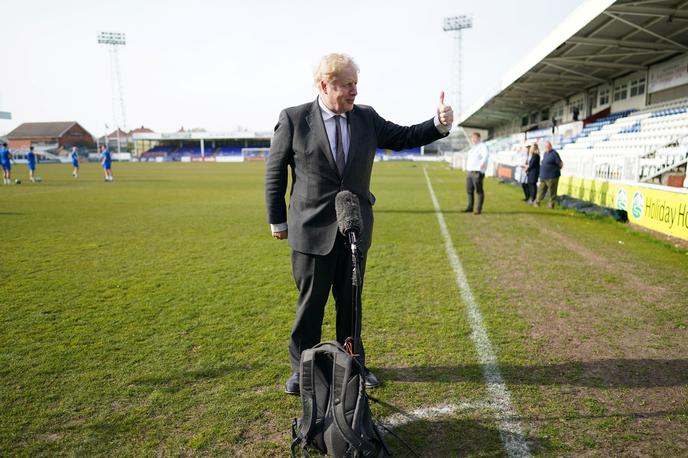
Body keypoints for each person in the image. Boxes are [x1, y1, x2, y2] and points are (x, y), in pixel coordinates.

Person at [265, 53, 452, 395]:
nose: (355, 91)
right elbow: (275, 172)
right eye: (347, 85)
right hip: (310, 231)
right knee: (310, 307)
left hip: (354, 228)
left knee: (351, 305)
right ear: (325, 85)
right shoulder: (294, 119)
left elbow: (406, 136)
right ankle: (302, 371)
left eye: (356, 83)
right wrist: (277, 219)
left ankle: (353, 367)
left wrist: (438, 124)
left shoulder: (366, 118)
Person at [462, 132, 489, 214]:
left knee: (479, 191)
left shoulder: (482, 146)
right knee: (469, 190)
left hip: (477, 172)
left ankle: (478, 209)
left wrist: (481, 165)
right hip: (470, 172)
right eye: (472, 138)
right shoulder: (473, 147)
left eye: (475, 138)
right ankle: (470, 207)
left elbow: (486, 156)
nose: (473, 139)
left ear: (479, 138)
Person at [534, 140, 563, 208]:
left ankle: (551, 204)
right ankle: (537, 202)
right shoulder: (545, 153)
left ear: (550, 146)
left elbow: (561, 164)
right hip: (543, 177)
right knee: (541, 190)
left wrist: (554, 171)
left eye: (547, 146)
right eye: (545, 146)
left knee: (552, 192)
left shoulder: (554, 154)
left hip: (552, 177)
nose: (546, 147)